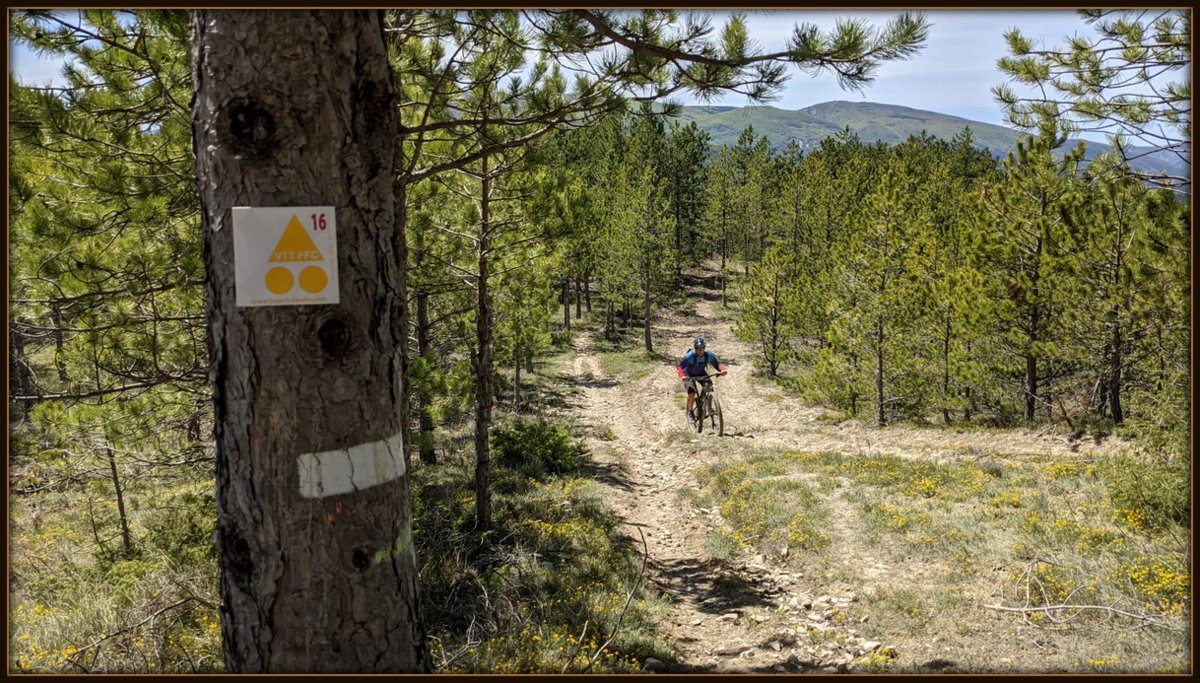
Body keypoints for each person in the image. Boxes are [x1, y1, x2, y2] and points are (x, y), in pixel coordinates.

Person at [677, 336, 727, 426]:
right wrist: (682, 376)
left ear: (704, 347)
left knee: (710, 387)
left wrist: (722, 370)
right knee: (692, 393)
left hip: (700, 373)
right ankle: (690, 412)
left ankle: (708, 404)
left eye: (702, 348)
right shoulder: (691, 355)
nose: (700, 350)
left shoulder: (708, 355)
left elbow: (717, 364)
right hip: (688, 375)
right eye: (698, 348)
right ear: (695, 348)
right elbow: (680, 367)